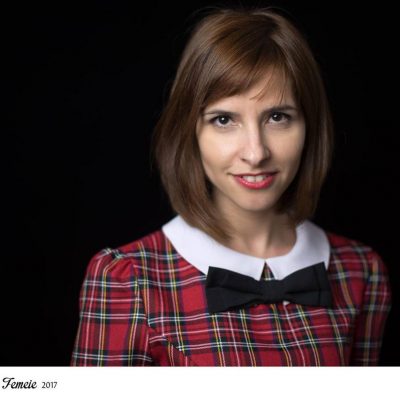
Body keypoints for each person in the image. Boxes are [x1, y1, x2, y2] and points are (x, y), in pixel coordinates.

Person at [70, 6, 392, 366]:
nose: (255, 153)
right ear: (189, 132)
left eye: (277, 117)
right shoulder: (128, 279)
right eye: (224, 120)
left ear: (310, 127)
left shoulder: (361, 272)